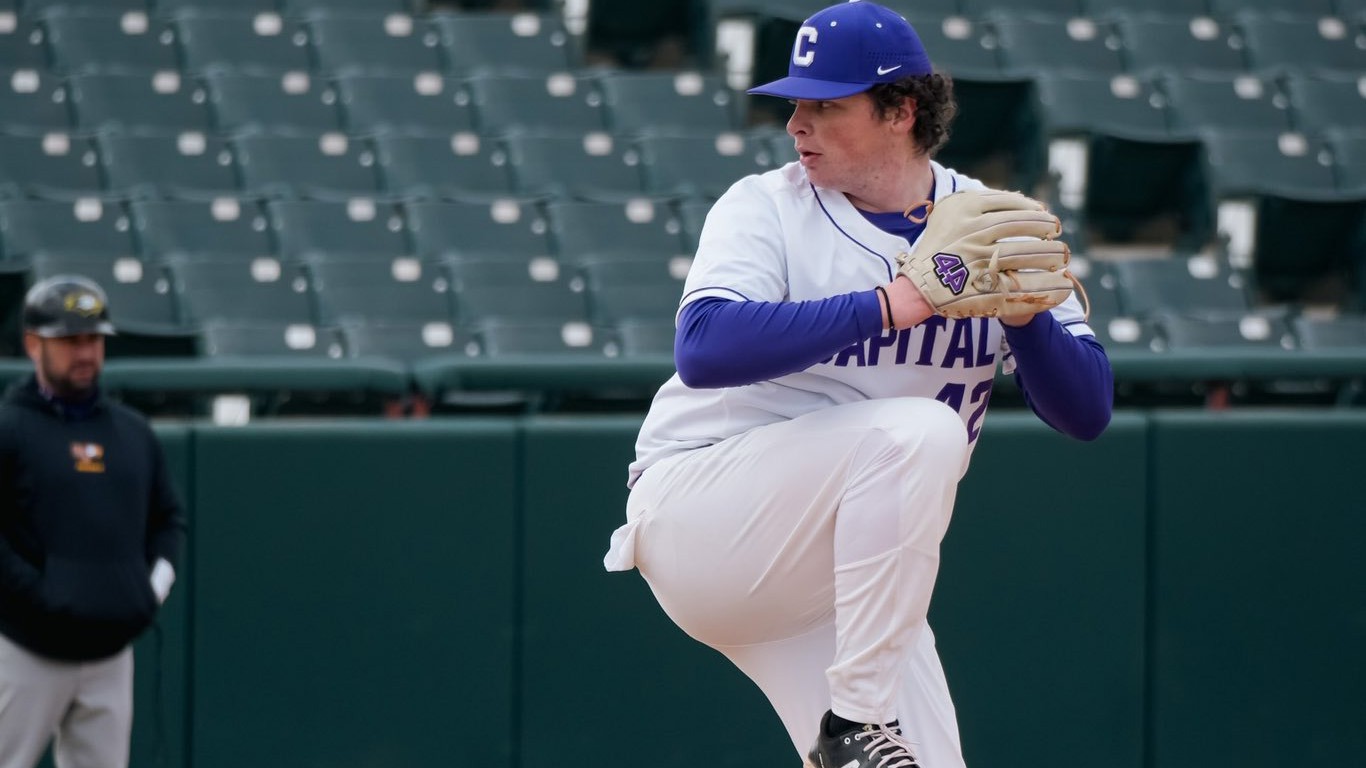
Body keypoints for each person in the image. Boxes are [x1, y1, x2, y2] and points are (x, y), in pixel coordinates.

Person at [603, 3, 1113, 767]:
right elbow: (703, 347)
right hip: (704, 515)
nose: (796, 123)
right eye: (795, 103)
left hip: (848, 589)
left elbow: (1087, 412)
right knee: (919, 430)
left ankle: (853, 725)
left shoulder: (995, 226)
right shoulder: (766, 207)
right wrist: (890, 303)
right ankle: (856, 725)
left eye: (825, 104)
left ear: (901, 111)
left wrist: (1026, 318)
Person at [0, 275, 186, 768]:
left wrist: (150, 591)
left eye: (93, 340)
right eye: (70, 341)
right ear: (33, 344)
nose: (85, 353)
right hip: (25, 651)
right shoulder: (9, 427)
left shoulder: (131, 432)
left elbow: (168, 519)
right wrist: (37, 597)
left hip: (109, 654)